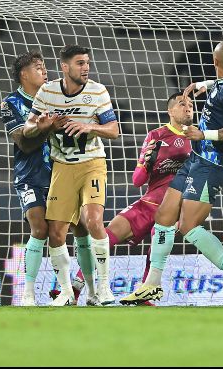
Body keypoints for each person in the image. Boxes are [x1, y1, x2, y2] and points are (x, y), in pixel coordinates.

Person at [122, 41, 223, 307]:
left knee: (188, 226)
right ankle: (152, 285)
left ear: (216, 64)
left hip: (213, 163)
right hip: (197, 158)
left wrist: (205, 133)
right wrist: (203, 84)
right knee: (164, 215)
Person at [67, 92, 194, 304]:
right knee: (106, 236)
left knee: (157, 243)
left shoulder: (199, 138)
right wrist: (148, 160)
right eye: (182, 104)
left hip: (177, 208)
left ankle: (146, 293)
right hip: (149, 203)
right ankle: (77, 286)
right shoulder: (156, 136)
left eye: (191, 104)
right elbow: (137, 180)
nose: (188, 107)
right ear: (170, 110)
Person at [23, 45, 120, 306]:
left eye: (87, 62)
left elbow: (113, 130)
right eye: (79, 63)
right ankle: (66, 292)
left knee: (93, 220)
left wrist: (89, 126)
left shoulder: (98, 91)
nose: (85, 67)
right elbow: (29, 125)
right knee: (55, 232)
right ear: (65, 67)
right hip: (62, 166)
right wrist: (42, 126)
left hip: (92, 163)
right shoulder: (48, 91)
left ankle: (104, 288)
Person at [2, 51, 63, 306]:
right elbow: (24, 145)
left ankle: (74, 289)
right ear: (24, 74)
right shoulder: (11, 103)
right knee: (39, 229)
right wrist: (47, 128)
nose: (45, 71)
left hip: (61, 173)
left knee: (71, 229)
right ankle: (28, 292)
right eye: (38, 68)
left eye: (45, 67)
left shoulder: (55, 99)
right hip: (30, 175)